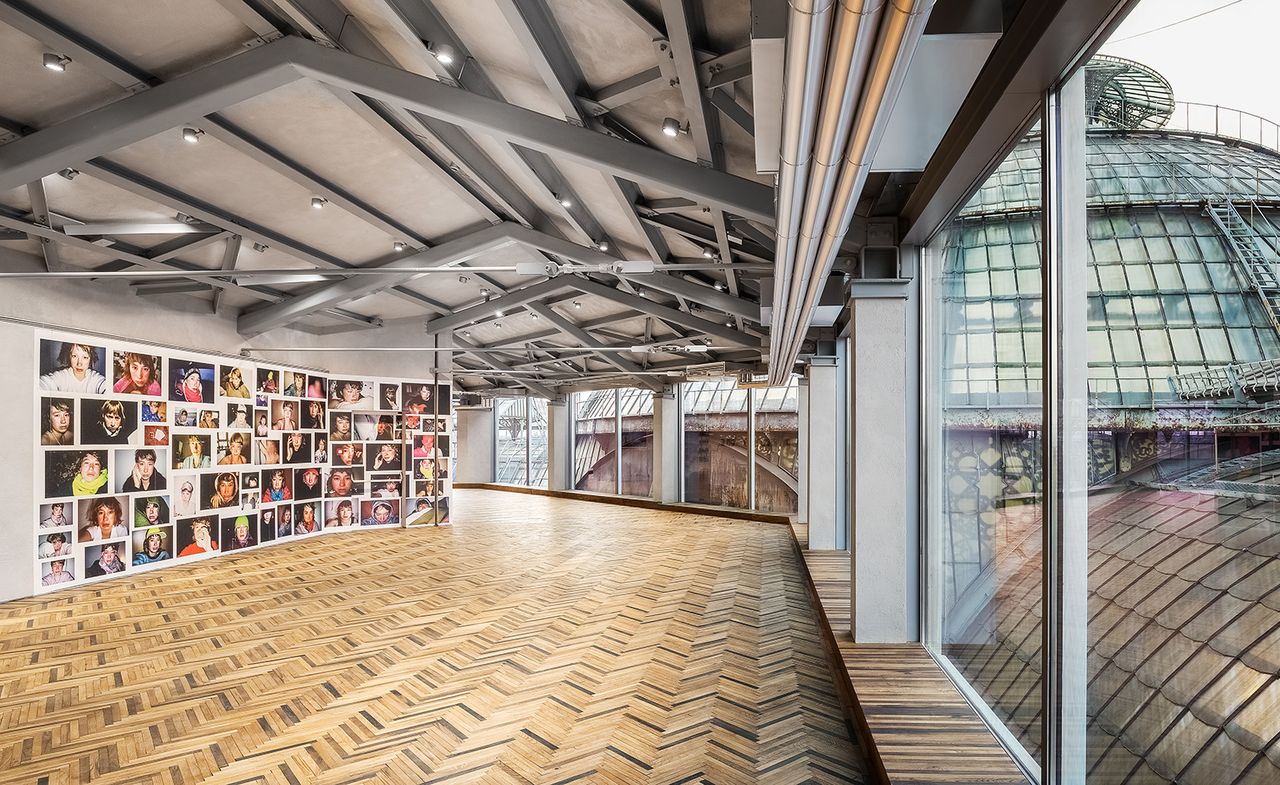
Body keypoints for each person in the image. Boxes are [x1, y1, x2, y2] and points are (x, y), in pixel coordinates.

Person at [40, 342, 108, 394]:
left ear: (91, 359)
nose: (79, 363)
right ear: (69, 357)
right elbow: (44, 383)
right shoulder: (61, 376)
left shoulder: (96, 379)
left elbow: (106, 386)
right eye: (74, 356)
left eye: (85, 357)